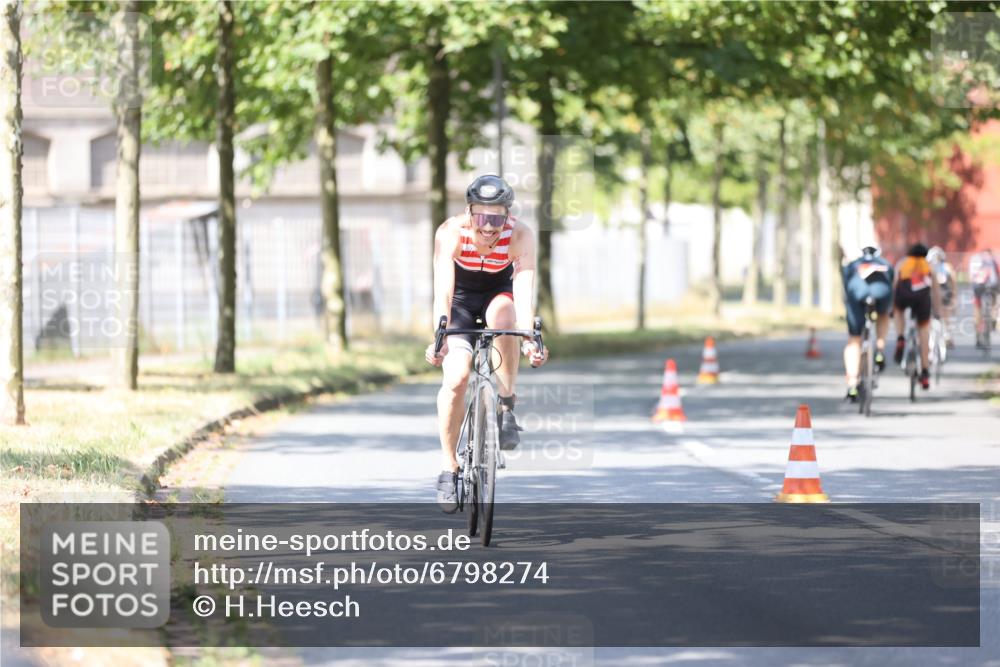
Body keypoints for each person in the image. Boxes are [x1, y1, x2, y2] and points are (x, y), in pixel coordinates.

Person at [425, 174, 548, 513]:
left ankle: (506, 402)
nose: (490, 227)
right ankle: (449, 468)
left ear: (508, 216)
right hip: (460, 305)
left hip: (498, 297)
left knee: (507, 317)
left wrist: (530, 339)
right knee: (456, 378)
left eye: (497, 218)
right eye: (482, 217)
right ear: (469, 213)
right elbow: (444, 292)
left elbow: (523, 294)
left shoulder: (520, 235)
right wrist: (440, 337)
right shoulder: (450, 232)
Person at [841, 245, 894, 402]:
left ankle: (852, 385)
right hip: (882, 292)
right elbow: (891, 283)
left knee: (854, 339)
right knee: (883, 314)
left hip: (857, 292)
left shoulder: (853, 264)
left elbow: (846, 286)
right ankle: (879, 349)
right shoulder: (885, 263)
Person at [892, 243, 943, 389]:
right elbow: (936, 292)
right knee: (924, 331)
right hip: (922, 300)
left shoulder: (902, 263)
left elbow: (895, 285)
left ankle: (900, 337)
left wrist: (892, 307)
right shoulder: (928, 267)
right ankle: (925, 373)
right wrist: (937, 312)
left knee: (898, 311)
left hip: (904, 297)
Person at [968, 249, 999, 349]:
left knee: (977, 310)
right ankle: (992, 321)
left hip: (978, 287)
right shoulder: (993, 259)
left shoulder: (976, 259)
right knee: (993, 305)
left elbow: (971, 276)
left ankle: (978, 335)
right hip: (991, 286)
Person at [927, 246, 957, 348]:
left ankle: (936, 336)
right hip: (943, 291)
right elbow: (953, 282)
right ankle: (946, 333)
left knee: (932, 314)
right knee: (945, 314)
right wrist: (953, 296)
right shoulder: (946, 266)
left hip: (934, 293)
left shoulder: (929, 267)